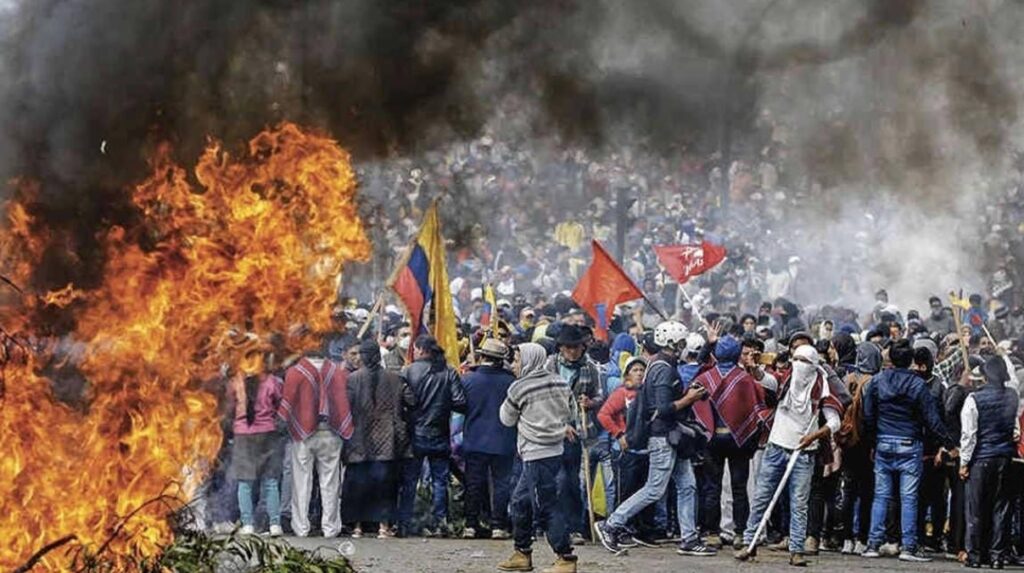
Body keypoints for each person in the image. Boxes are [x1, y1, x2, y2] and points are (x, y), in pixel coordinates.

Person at [594, 320, 717, 557]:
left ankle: (689, 538)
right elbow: (661, 408)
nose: (684, 347)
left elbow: (693, 362)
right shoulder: (663, 369)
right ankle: (611, 525)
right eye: (681, 342)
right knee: (654, 488)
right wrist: (689, 398)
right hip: (663, 437)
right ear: (673, 343)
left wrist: (709, 346)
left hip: (672, 437)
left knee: (687, 485)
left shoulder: (663, 363)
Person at [735, 344, 844, 567]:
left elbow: (834, 422)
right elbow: (765, 379)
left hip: (803, 453)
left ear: (813, 365)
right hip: (776, 446)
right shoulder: (785, 379)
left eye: (804, 361)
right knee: (762, 497)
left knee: (799, 502)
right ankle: (750, 542)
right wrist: (755, 369)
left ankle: (796, 550)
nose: (799, 365)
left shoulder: (822, 388)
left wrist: (814, 435)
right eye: (796, 359)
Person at [861, 339, 957, 562]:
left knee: (881, 496)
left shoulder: (877, 381)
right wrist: (950, 444)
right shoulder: (917, 385)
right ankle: (908, 547)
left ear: (891, 358)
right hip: (910, 444)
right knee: (909, 497)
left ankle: (873, 544)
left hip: (883, 442)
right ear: (911, 360)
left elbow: (867, 416)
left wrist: (873, 441)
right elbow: (932, 420)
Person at [497, 342, 577, 573]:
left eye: (517, 359)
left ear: (529, 359)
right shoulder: (560, 381)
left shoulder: (519, 387)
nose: (514, 364)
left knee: (545, 507)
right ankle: (522, 553)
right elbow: (570, 413)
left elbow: (506, 419)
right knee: (520, 500)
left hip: (536, 453)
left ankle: (566, 557)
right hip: (554, 451)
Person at [692, 334, 770, 550]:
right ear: (737, 354)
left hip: (712, 438)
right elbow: (757, 408)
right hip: (739, 440)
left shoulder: (706, 377)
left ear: (717, 353)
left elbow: (693, 401)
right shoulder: (745, 379)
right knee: (739, 488)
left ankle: (713, 534)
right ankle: (739, 533)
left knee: (712, 488)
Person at [277, 341, 353, 538]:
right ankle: (330, 528)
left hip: (303, 434)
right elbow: (344, 402)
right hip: (331, 432)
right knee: (331, 483)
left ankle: (301, 527)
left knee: (301, 482)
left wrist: (282, 423)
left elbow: (287, 404)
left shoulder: (295, 372)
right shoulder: (337, 372)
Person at [342, 339, 416, 539]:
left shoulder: (352, 379)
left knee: (357, 483)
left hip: (359, 439)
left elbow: (346, 408)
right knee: (385, 485)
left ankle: (356, 526)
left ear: (364, 357)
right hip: (387, 440)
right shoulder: (395, 378)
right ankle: (384, 526)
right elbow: (411, 401)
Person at [398, 335, 466, 537]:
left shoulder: (408, 371)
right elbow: (460, 401)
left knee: (410, 481)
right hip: (440, 434)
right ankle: (440, 522)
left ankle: (405, 522)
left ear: (420, 350)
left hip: (415, 435)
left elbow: (403, 402)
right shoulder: (448, 372)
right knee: (440, 481)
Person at [545, 324, 605, 545]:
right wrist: (561, 424)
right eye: (568, 347)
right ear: (560, 348)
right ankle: (554, 526)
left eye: (576, 347)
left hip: (580, 432)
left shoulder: (590, 368)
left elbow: (600, 395)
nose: (572, 351)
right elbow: (544, 397)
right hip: (553, 431)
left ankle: (575, 528)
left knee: (574, 482)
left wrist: (590, 402)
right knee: (557, 482)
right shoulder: (550, 366)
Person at [960, 356, 1020, 568]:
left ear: (985, 376)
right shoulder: (1012, 396)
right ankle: (997, 556)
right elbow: (1015, 430)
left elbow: (969, 435)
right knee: (1001, 509)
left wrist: (964, 462)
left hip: (981, 459)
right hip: (1004, 458)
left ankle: (975, 555)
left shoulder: (974, 399)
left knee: (975, 509)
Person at [461, 338, 517, 540]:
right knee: (501, 485)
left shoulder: (468, 379)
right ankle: (498, 525)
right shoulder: (511, 382)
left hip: (475, 439)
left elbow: (459, 406)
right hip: (504, 440)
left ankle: (470, 524)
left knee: (473, 483)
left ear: (482, 356)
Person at [597, 356, 656, 543]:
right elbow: (604, 414)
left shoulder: (648, 393)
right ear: (627, 374)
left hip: (645, 451)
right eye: (635, 370)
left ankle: (642, 530)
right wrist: (619, 434)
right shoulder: (622, 393)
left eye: (642, 370)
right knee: (625, 492)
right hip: (625, 452)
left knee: (645, 492)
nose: (639, 373)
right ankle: (620, 530)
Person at [229, 352, 285, 536]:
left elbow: (228, 406)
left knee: (245, 483)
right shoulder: (273, 382)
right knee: (270, 481)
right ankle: (275, 524)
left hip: (243, 435)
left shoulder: (236, 383)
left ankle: (248, 524)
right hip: (268, 434)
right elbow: (280, 404)